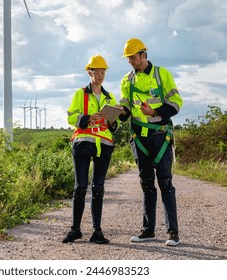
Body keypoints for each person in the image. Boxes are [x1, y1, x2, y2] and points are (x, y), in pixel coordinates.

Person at [118, 38, 183, 246]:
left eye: (133, 58)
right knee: (146, 183)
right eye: (128, 58)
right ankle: (148, 231)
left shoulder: (162, 74)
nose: (130, 62)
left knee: (165, 182)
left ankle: (172, 233)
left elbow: (175, 103)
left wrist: (154, 111)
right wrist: (117, 113)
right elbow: (126, 109)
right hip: (139, 138)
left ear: (143, 55)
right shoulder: (127, 80)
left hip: (160, 136)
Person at [62, 55, 119, 244]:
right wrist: (89, 118)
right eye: (97, 71)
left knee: (98, 188)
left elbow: (114, 126)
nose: (101, 75)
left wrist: (111, 121)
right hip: (83, 142)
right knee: (80, 187)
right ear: (90, 72)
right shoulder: (80, 94)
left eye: (104, 71)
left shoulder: (110, 97)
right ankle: (75, 229)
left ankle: (97, 232)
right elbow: (71, 117)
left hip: (104, 145)